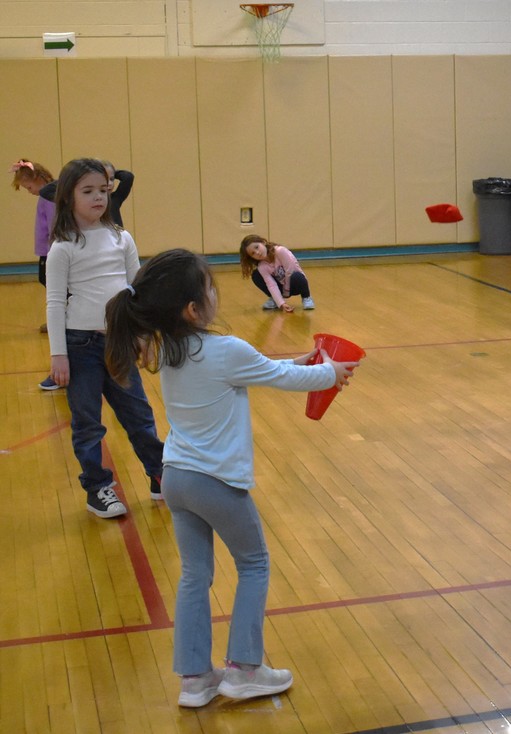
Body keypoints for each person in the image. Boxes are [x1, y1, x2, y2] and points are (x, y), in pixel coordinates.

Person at [105, 248, 358, 707]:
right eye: (209, 287)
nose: (214, 293)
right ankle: (243, 669)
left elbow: (267, 370)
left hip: (177, 478)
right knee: (254, 564)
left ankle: (196, 679)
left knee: (194, 575)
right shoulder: (225, 350)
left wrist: (308, 362)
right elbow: (279, 378)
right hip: (216, 482)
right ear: (193, 309)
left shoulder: (168, 350)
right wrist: (330, 373)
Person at [45, 158, 164, 519]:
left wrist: (141, 334)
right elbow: (53, 302)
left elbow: (135, 290)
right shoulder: (62, 247)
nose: (99, 197)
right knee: (87, 423)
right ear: (68, 197)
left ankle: (161, 476)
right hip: (79, 346)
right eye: (88, 191)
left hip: (119, 344)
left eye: (103, 190)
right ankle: (98, 488)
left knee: (139, 415)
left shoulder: (121, 237)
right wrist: (58, 355)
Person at [10, 158, 61, 389]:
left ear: (38, 179)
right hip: (47, 250)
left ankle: (61, 319)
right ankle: (58, 318)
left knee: (54, 286)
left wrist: (53, 252)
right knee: (47, 282)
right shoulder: (45, 195)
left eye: (29, 187)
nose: (29, 192)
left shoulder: (50, 196)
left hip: (52, 251)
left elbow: (53, 224)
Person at [41, 160, 134, 227]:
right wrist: (70, 178)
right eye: (88, 191)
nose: (109, 183)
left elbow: (128, 177)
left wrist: (111, 171)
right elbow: (45, 191)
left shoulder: (116, 198)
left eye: (112, 179)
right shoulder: (75, 200)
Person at [239, 234, 315, 312]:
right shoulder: (262, 266)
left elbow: (290, 271)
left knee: (297, 276)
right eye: (253, 253)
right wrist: (281, 303)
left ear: (263, 242)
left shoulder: (280, 251)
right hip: (282, 287)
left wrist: (286, 292)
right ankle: (275, 299)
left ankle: (306, 297)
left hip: (293, 284)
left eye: (257, 247)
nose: (257, 252)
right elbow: (271, 285)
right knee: (256, 275)